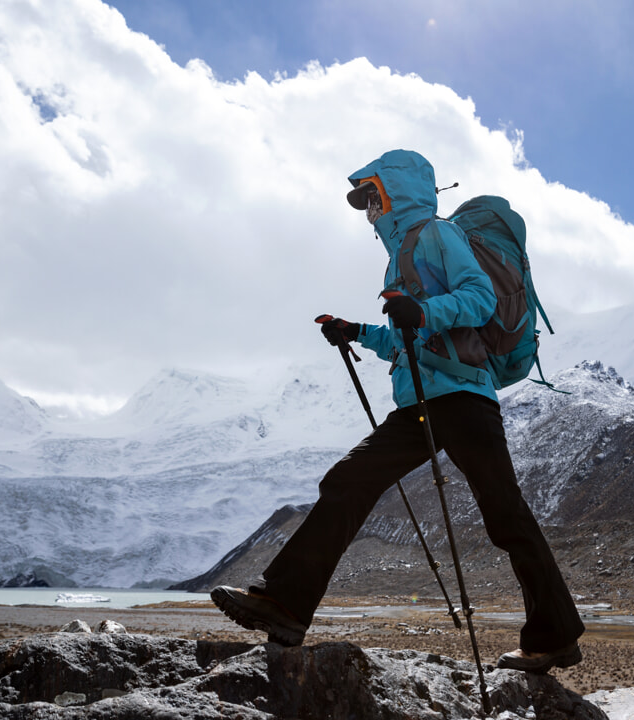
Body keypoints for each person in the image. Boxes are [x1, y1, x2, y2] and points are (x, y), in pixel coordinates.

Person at [211, 149, 585, 673]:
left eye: (373, 197)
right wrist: (356, 333)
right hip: (420, 403)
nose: (368, 210)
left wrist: (424, 309)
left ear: (394, 192)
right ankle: (285, 605)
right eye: (364, 202)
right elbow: (408, 339)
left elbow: (479, 300)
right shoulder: (399, 253)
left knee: (505, 516)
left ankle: (556, 636)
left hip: (463, 396)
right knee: (348, 479)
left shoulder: (436, 234)